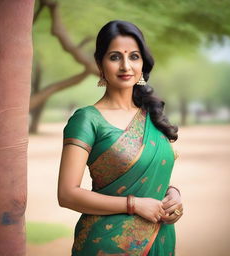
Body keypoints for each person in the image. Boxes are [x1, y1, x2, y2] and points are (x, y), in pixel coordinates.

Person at [58, 20, 183, 256]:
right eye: (115, 57)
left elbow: (151, 176)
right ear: (100, 63)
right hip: (106, 245)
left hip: (158, 240)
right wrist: (134, 204)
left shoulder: (150, 117)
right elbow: (67, 194)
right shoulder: (87, 120)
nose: (126, 66)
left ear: (142, 62)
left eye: (134, 56)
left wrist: (173, 195)